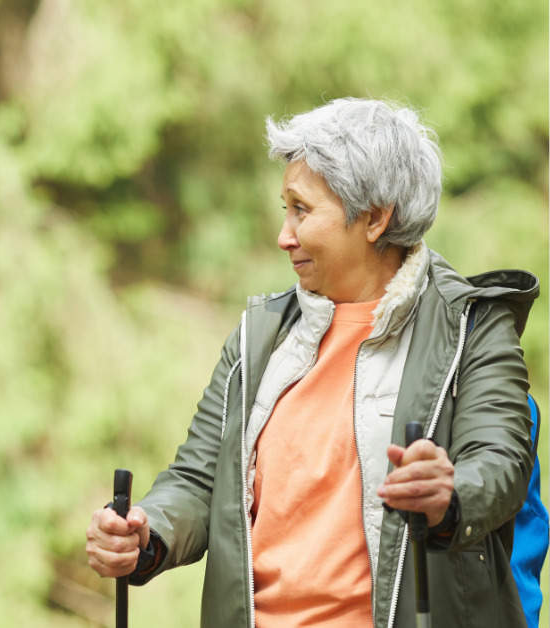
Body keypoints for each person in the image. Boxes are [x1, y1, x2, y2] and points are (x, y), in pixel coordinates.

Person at [85, 98, 538, 627]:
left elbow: (501, 462)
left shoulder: (473, 326)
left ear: (374, 218)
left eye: (302, 210)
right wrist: (147, 533)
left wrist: (448, 495)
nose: (284, 236)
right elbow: (200, 480)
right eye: (286, 210)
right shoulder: (261, 335)